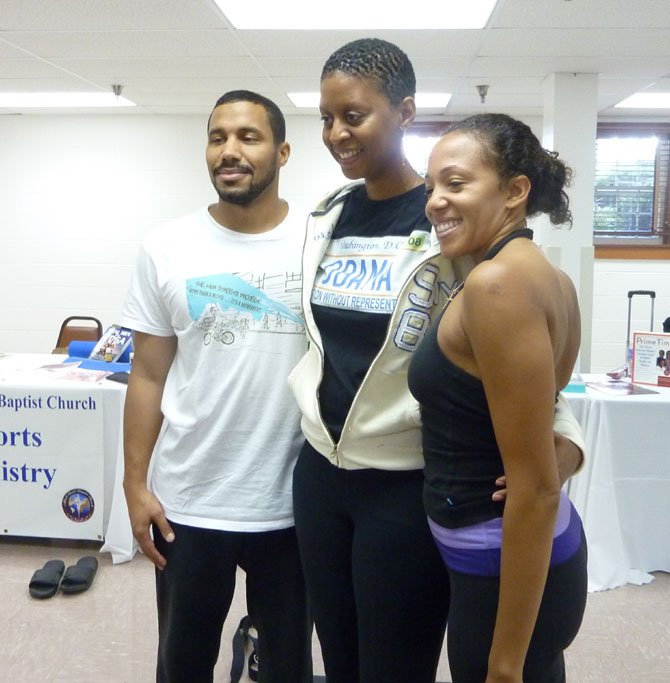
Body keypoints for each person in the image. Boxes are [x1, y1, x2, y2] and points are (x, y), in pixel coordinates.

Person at [289, 38, 585, 683]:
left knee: (395, 664)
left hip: (403, 478)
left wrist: (566, 442)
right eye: (326, 118)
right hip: (322, 475)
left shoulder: (462, 239)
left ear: (404, 112)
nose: (338, 132)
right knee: (339, 655)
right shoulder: (325, 220)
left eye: (355, 115)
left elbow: (524, 361)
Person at [122, 90, 312, 683]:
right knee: (182, 663)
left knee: (287, 666)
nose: (229, 150)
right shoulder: (165, 246)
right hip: (189, 499)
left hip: (293, 501)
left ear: (282, 151)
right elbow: (149, 373)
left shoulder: (320, 240)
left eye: (248, 137)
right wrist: (134, 484)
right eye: (217, 137)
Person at [409, 113, 588, 682]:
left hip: (503, 564)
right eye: (433, 186)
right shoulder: (548, 277)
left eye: (456, 184)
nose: (436, 201)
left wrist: (504, 665)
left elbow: (534, 487)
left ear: (515, 191)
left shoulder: (496, 286)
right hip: (522, 556)